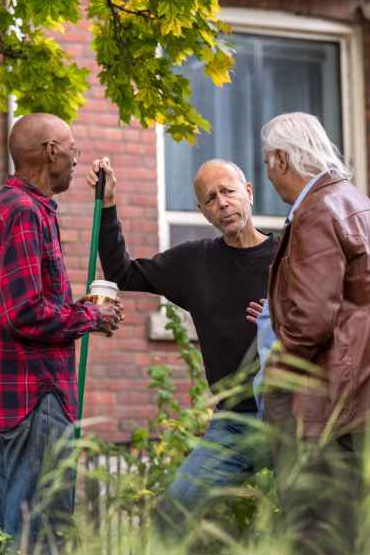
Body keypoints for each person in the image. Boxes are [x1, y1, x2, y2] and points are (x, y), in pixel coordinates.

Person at [253, 112, 370, 555]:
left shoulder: (316, 213)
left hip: (319, 406)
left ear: (284, 159)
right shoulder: (361, 205)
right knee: (349, 532)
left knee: (314, 535)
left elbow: (310, 320)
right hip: (359, 398)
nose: (268, 177)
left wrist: (274, 382)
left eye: (268, 164)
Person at [0, 113, 124, 555]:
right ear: (51, 149)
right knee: (39, 529)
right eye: (72, 147)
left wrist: (80, 311)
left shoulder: (11, 208)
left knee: (8, 526)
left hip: (14, 396)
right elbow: (25, 313)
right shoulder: (23, 212)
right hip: (33, 395)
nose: (77, 157)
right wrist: (90, 317)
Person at [86, 157, 275, 535]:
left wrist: (282, 321)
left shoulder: (287, 257)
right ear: (202, 212)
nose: (221, 202)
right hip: (234, 424)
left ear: (249, 193)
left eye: (228, 191)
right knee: (174, 512)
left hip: (291, 416)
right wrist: (107, 205)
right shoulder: (194, 261)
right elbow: (123, 272)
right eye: (210, 198)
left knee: (310, 521)